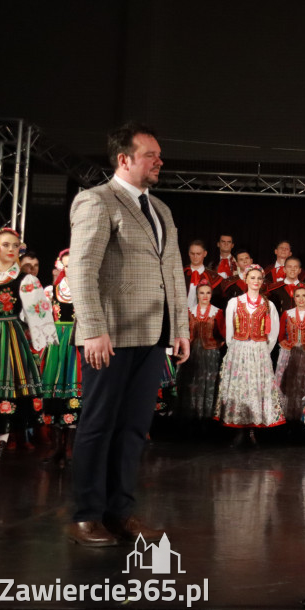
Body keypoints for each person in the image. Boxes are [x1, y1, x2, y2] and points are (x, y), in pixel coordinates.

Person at [65, 123, 189, 546]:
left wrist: (180, 328)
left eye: (159, 155)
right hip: (111, 336)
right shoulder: (97, 201)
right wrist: (94, 329)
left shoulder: (161, 210)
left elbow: (173, 272)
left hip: (153, 335)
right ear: (125, 159)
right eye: (151, 155)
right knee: (98, 424)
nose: (160, 161)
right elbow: (81, 270)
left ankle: (120, 512)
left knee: (134, 428)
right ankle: (86, 515)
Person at [0, 228, 57, 481]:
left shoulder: (25, 279)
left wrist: (41, 344)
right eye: (5, 244)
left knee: (5, 402)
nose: (10, 249)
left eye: (15, 245)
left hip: (8, 339)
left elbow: (39, 316)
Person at [214, 264, 284, 446]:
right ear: (245, 280)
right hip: (239, 349)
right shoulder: (235, 302)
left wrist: (263, 350)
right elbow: (229, 331)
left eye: (259, 278)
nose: (256, 281)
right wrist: (235, 349)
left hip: (259, 350)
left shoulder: (267, 304)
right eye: (252, 278)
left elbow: (273, 332)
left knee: (255, 389)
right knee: (240, 389)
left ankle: (252, 429)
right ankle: (238, 428)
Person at [39, 249, 81, 468]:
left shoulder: (83, 291)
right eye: (66, 265)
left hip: (75, 344)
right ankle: (56, 447)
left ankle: (70, 448)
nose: (69, 269)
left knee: (73, 392)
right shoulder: (50, 291)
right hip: (56, 344)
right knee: (53, 391)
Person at [176, 278, 225, 423]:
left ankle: (207, 418)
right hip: (192, 354)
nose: (205, 296)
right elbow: (183, 331)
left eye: (208, 293)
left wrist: (217, 344)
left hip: (210, 354)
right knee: (191, 383)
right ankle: (190, 418)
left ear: (211, 294)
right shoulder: (189, 311)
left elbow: (224, 333)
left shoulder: (217, 312)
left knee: (208, 384)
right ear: (197, 294)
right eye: (202, 293)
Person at [274, 284, 305, 425]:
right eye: (298, 296)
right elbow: (281, 336)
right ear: (294, 297)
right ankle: (288, 420)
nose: (301, 299)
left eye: (304, 295)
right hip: (290, 354)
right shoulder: (287, 313)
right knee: (289, 385)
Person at [183, 239, 223, 309]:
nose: (195, 257)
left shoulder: (214, 278)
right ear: (189, 253)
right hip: (180, 316)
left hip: (204, 317)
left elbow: (217, 303)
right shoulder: (181, 273)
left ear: (205, 254)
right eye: (192, 253)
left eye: (198, 254)